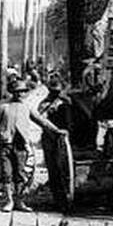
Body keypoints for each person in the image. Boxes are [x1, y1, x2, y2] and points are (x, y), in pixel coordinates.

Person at [0, 78, 61, 213]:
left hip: (20, 146)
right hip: (5, 145)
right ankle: (9, 201)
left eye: (23, 91)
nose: (20, 94)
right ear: (12, 92)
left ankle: (19, 201)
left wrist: (56, 130)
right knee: (7, 174)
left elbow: (42, 121)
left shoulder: (27, 107)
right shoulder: (3, 106)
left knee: (20, 174)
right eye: (17, 92)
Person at [36, 75, 74, 211]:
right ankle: (58, 199)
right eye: (53, 91)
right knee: (53, 169)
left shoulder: (66, 102)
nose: (56, 94)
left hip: (65, 140)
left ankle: (67, 196)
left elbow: (71, 121)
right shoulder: (44, 104)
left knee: (65, 169)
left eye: (58, 91)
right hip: (50, 139)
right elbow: (41, 120)